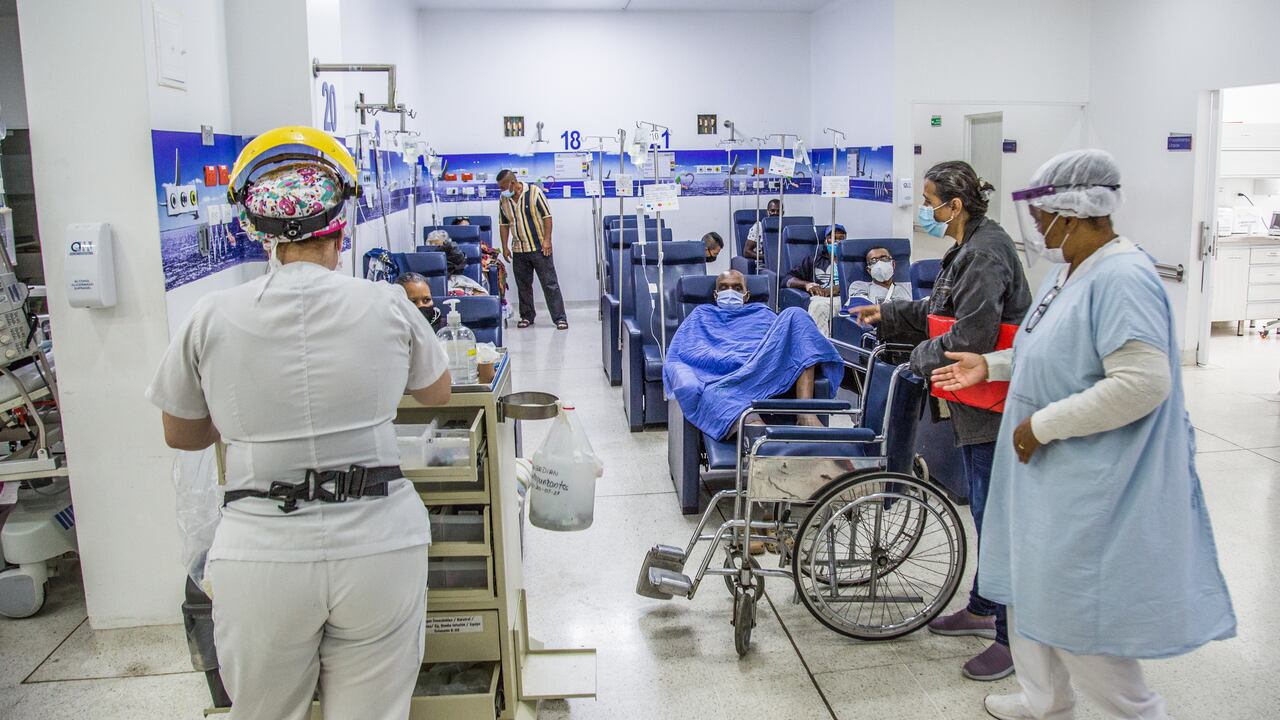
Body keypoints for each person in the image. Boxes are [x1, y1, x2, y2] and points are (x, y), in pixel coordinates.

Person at [146, 127, 451, 720]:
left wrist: (243, 414)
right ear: (341, 224)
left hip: (261, 547)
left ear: (259, 233)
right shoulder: (387, 304)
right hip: (378, 539)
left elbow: (180, 432)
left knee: (265, 711)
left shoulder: (211, 316)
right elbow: (436, 391)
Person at [932, 149, 1236, 720]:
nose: (1038, 226)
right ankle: (1044, 700)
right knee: (1029, 591)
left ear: (1072, 213)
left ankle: (1136, 711)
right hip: (1046, 473)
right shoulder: (1069, 270)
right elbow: (1042, 347)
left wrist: (1042, 426)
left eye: (1044, 215)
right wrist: (991, 367)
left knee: (1078, 613)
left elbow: (1143, 383)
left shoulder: (1123, 277)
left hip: (1089, 476)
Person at [852, 160, 1031, 681]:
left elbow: (970, 338)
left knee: (996, 520)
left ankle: (1010, 638)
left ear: (955, 204)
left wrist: (917, 359)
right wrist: (887, 315)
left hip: (993, 404)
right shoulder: (966, 247)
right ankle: (983, 606)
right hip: (970, 399)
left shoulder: (987, 252)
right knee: (984, 511)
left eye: (930, 201)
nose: (925, 210)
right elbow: (939, 305)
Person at [664, 269, 843, 439]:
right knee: (717, 396)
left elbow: (784, 343)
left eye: (737, 288)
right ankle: (759, 438)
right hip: (726, 379)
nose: (730, 291)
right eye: (724, 287)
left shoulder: (761, 312)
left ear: (746, 295)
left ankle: (805, 413)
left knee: (796, 314)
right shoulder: (701, 314)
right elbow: (682, 352)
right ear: (715, 295)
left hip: (762, 369)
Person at [497, 169, 568, 330]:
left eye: (503, 187)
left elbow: (547, 217)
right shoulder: (503, 200)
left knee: (550, 284)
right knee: (523, 285)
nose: (501, 191)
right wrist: (505, 246)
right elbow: (503, 224)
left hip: (539, 248)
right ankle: (527, 316)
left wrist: (547, 240)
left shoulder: (534, 193)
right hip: (519, 249)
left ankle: (559, 318)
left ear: (512, 184)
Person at [784, 225, 846, 335]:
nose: (837, 242)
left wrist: (837, 289)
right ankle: (819, 347)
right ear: (826, 241)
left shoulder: (850, 260)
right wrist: (806, 284)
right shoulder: (814, 260)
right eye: (833, 238)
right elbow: (787, 279)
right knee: (818, 306)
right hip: (823, 300)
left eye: (841, 238)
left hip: (846, 299)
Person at [845, 246, 913, 305]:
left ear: (893, 264)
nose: (879, 263)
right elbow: (861, 309)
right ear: (869, 270)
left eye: (884, 258)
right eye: (873, 260)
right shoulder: (859, 286)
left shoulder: (909, 287)